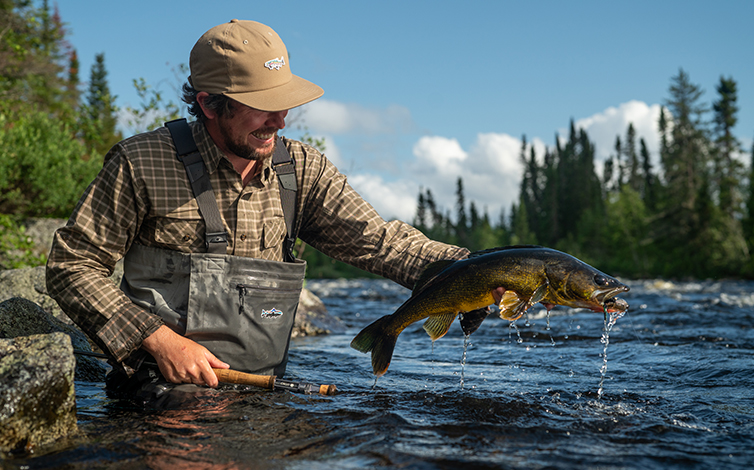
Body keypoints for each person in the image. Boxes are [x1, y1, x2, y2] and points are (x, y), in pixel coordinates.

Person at [46, 19, 504, 404]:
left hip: (262, 391)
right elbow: (71, 266)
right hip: (162, 387)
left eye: (283, 103)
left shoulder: (301, 169)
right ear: (208, 102)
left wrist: (477, 270)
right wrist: (158, 339)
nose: (280, 119)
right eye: (262, 106)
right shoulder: (140, 163)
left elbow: (380, 243)